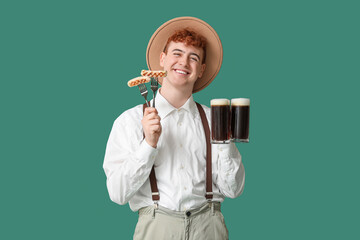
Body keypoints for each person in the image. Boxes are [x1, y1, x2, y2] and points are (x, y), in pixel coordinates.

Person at [103, 17, 245, 240]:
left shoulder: (214, 119)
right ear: (162, 59)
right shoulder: (129, 121)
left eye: (194, 57)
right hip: (156, 226)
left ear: (201, 70)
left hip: (209, 227)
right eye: (177, 53)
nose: (184, 62)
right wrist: (148, 144)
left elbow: (233, 191)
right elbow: (118, 193)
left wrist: (226, 143)